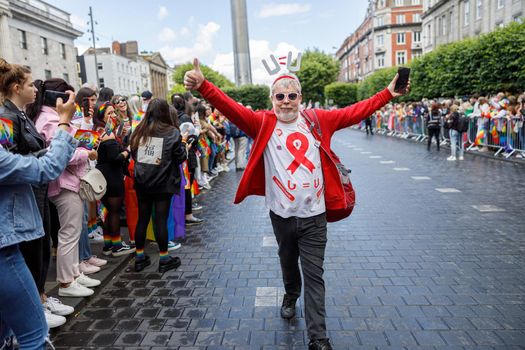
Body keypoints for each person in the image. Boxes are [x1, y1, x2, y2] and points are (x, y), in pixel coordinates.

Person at [184, 58, 408, 350]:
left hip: (315, 216)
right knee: (289, 264)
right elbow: (230, 108)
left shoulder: (317, 120)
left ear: (300, 99)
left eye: (292, 96)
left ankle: (319, 338)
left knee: (315, 276)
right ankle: (291, 294)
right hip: (282, 216)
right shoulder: (262, 122)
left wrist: (388, 93)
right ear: (272, 99)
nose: (286, 101)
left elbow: (355, 112)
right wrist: (203, 86)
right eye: (280, 96)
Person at [0, 89, 78, 349]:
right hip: (3, 252)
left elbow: (15, 160)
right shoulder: (10, 119)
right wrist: (65, 123)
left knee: (5, 336)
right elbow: (47, 169)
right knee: (34, 335)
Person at [28, 78, 101, 299]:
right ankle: (67, 282)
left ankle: (74, 275)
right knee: (69, 234)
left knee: (72, 232)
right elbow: (60, 152)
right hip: (64, 183)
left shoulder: (49, 117)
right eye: (70, 96)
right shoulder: (49, 119)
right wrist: (85, 153)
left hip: (67, 181)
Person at [130, 99, 187, 273]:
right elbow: (180, 157)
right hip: (163, 183)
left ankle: (139, 258)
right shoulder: (172, 132)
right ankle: (164, 258)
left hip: (142, 182)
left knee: (143, 218)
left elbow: (133, 153)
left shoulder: (139, 131)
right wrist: (183, 144)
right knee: (160, 220)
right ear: (164, 112)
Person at [93, 102, 135, 257]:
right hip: (111, 175)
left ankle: (108, 244)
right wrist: (127, 151)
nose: (113, 115)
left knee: (109, 211)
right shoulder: (107, 133)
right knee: (114, 211)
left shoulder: (102, 131)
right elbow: (115, 158)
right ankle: (117, 245)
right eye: (109, 113)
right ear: (101, 117)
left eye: (113, 112)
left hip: (104, 174)